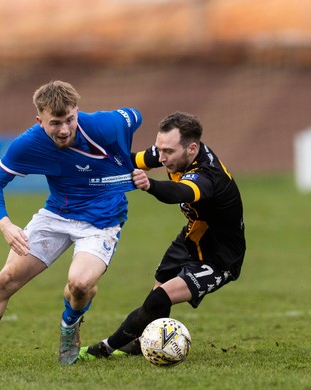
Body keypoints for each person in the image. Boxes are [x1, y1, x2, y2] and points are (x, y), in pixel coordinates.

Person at [0, 80, 157, 368]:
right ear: (40, 120)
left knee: (81, 284)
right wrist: (6, 224)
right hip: (57, 216)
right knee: (6, 279)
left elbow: (135, 115)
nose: (64, 129)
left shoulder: (105, 125)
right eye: (55, 123)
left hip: (102, 221)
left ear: (77, 112)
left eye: (70, 120)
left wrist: (131, 163)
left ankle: (69, 327)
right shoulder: (28, 144)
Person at [79, 111, 246, 360]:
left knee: (160, 297)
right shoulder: (172, 151)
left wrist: (150, 184)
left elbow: (179, 192)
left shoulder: (208, 176)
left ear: (191, 149)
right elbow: (134, 160)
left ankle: (105, 348)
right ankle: (141, 342)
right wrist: (93, 163)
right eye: (160, 149)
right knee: (156, 293)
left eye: (168, 152)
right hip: (191, 238)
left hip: (220, 257)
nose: (162, 156)